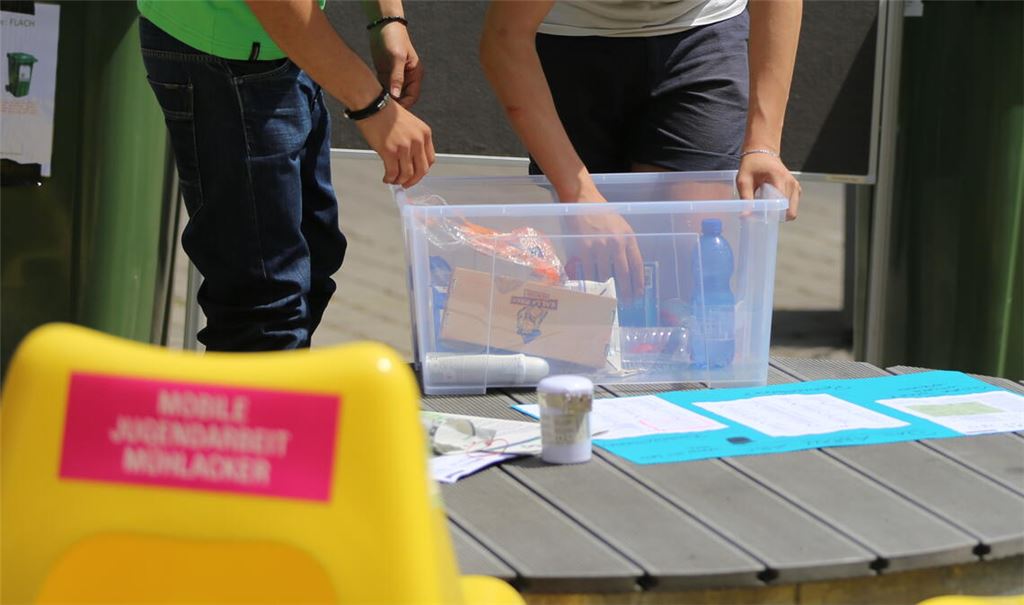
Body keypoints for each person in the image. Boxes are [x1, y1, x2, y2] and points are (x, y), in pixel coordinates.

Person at [138, 0, 434, 351]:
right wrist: (373, 107)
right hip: (229, 55)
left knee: (312, 263)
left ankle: (270, 395)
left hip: (285, 46)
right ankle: (257, 401)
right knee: (264, 307)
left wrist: (387, 18)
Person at [480, 0, 803, 302]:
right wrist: (578, 198)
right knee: (603, 278)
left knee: (687, 260)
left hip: (699, 31)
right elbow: (506, 38)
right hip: (569, 37)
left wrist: (763, 146)